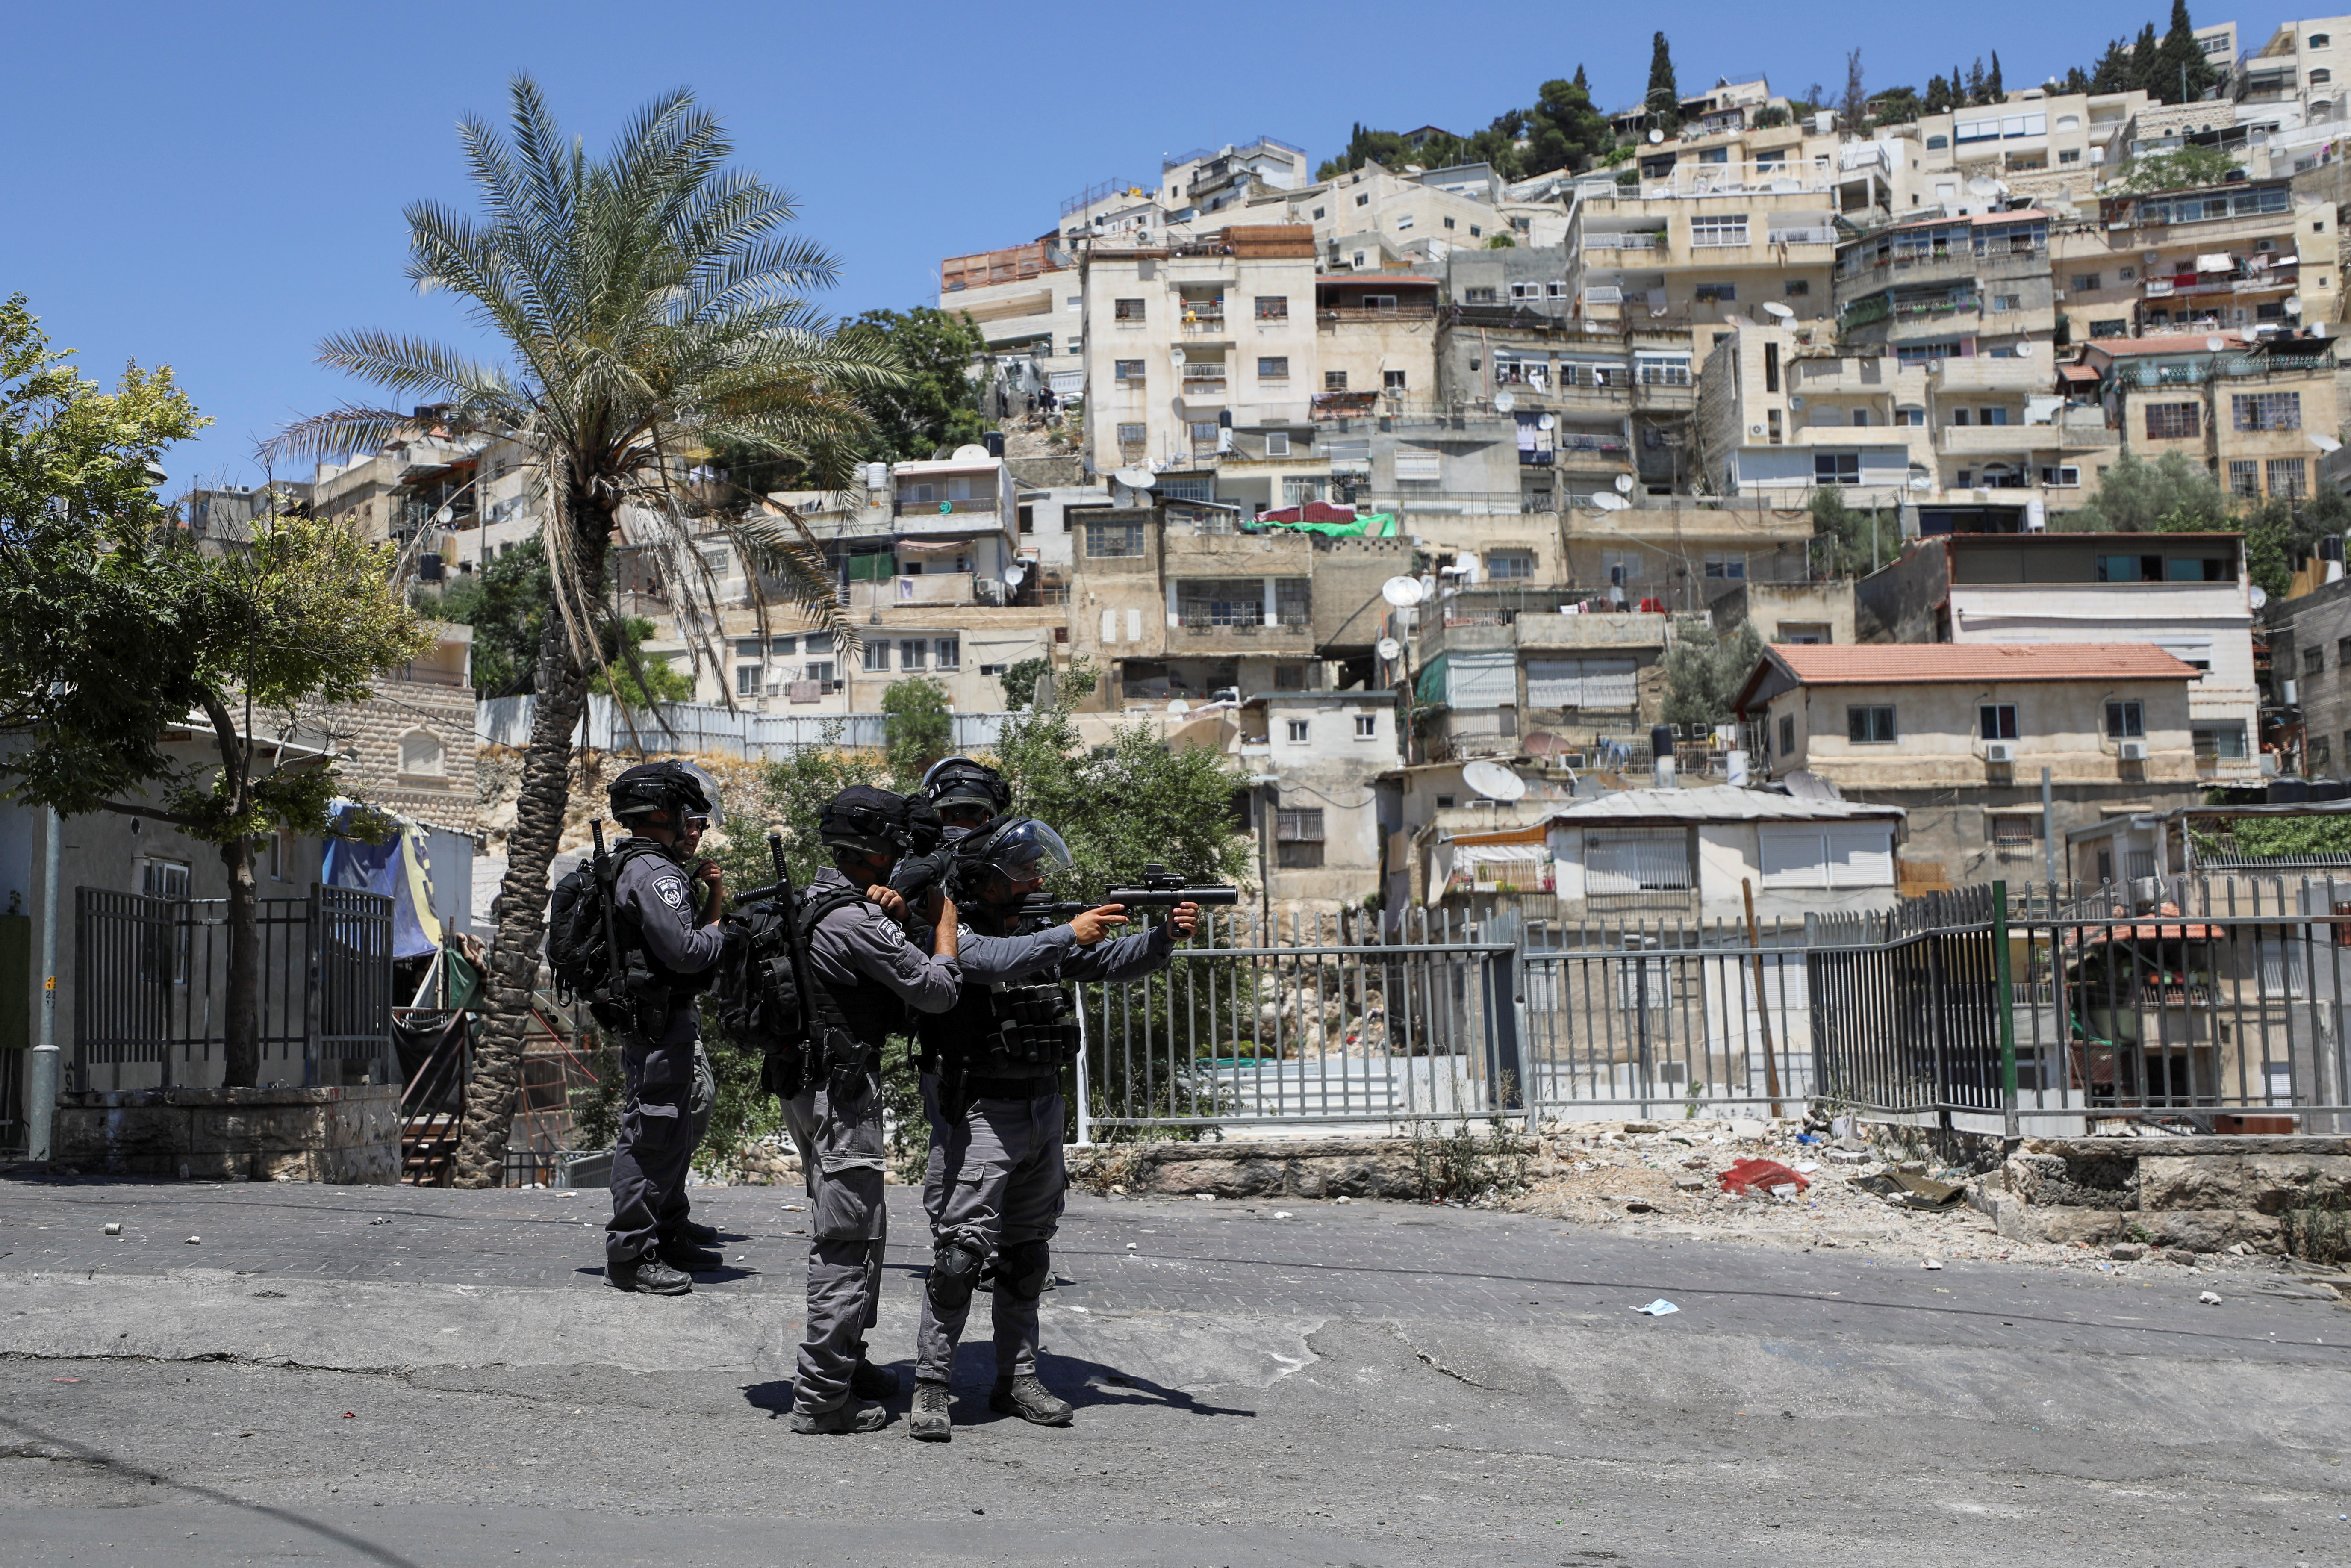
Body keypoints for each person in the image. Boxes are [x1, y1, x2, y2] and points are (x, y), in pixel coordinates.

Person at [907, 816, 1199, 1441]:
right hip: (984, 1111)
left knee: (1026, 1255)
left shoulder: (1038, 934)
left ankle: (1017, 1379)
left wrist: (1161, 938)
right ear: (986, 881)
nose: (1036, 878)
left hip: (1043, 1108)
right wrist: (1069, 931)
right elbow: (988, 963)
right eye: (1022, 870)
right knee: (960, 1256)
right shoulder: (955, 931)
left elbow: (1105, 961)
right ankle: (932, 1386)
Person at [785, 785, 963, 1435]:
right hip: (843, 1093)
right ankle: (822, 1399)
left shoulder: (813, 901)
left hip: (809, 1086)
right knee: (847, 1242)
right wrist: (944, 926)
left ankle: (847, 1362)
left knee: (863, 1230)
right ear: (877, 851)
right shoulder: (854, 920)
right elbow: (938, 991)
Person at [602, 761, 730, 1296]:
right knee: (650, 1135)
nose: (691, 824)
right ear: (662, 814)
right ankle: (632, 1253)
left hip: (661, 1020)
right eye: (685, 813)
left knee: (671, 1131)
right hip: (657, 1024)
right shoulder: (656, 873)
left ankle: (667, 1231)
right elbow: (687, 951)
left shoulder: (642, 865)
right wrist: (723, 928)